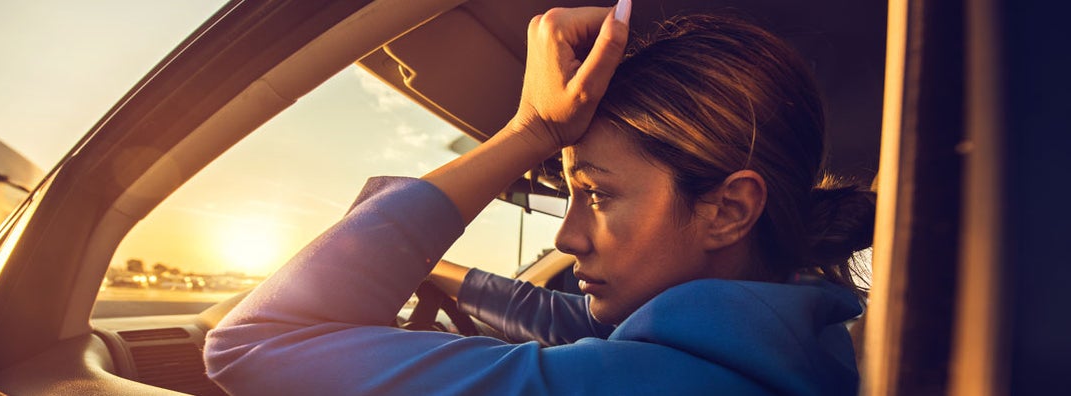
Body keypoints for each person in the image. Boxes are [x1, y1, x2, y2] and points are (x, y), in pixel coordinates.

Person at [204, 0, 875, 394]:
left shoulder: (643, 380)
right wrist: (442, 274)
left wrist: (532, 130)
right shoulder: (794, 337)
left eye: (597, 195)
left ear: (727, 210)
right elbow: (569, 322)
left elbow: (254, 342)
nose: (566, 236)